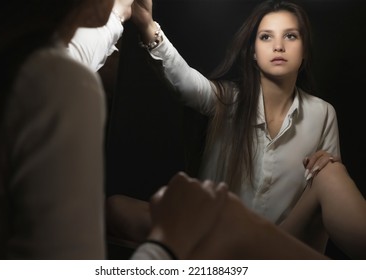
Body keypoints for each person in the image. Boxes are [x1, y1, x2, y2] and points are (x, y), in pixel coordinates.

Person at [0, 0, 230, 260]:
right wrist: (170, 244)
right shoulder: (58, 79)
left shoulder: (12, 58)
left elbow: (70, 55)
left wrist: (119, 14)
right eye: (265, 36)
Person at [93, 0, 344, 254]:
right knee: (117, 208)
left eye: (290, 36)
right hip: (213, 234)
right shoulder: (228, 99)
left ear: (304, 51)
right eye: (266, 37)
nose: (278, 46)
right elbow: (186, 83)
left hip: (275, 247)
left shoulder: (322, 114)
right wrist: (147, 26)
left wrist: (327, 167)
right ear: (254, 53)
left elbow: (327, 204)